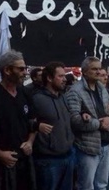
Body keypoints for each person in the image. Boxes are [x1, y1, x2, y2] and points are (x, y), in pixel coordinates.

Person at [0, 50, 37, 190]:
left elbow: (33, 122)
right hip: (2, 166)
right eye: (21, 69)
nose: (25, 72)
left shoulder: (25, 93)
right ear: (7, 70)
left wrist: (30, 142)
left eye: (25, 68)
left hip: (25, 161)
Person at [66, 56, 109, 190]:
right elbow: (74, 120)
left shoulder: (102, 88)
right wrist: (99, 124)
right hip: (87, 146)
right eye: (94, 69)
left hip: (106, 142)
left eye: (100, 68)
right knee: (86, 185)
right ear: (84, 71)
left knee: (102, 184)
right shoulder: (75, 91)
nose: (99, 72)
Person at [32, 62, 75, 190]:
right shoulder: (37, 99)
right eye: (60, 76)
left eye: (64, 76)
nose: (64, 79)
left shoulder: (63, 98)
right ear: (49, 78)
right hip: (48, 160)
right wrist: (36, 125)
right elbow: (25, 121)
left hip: (68, 156)